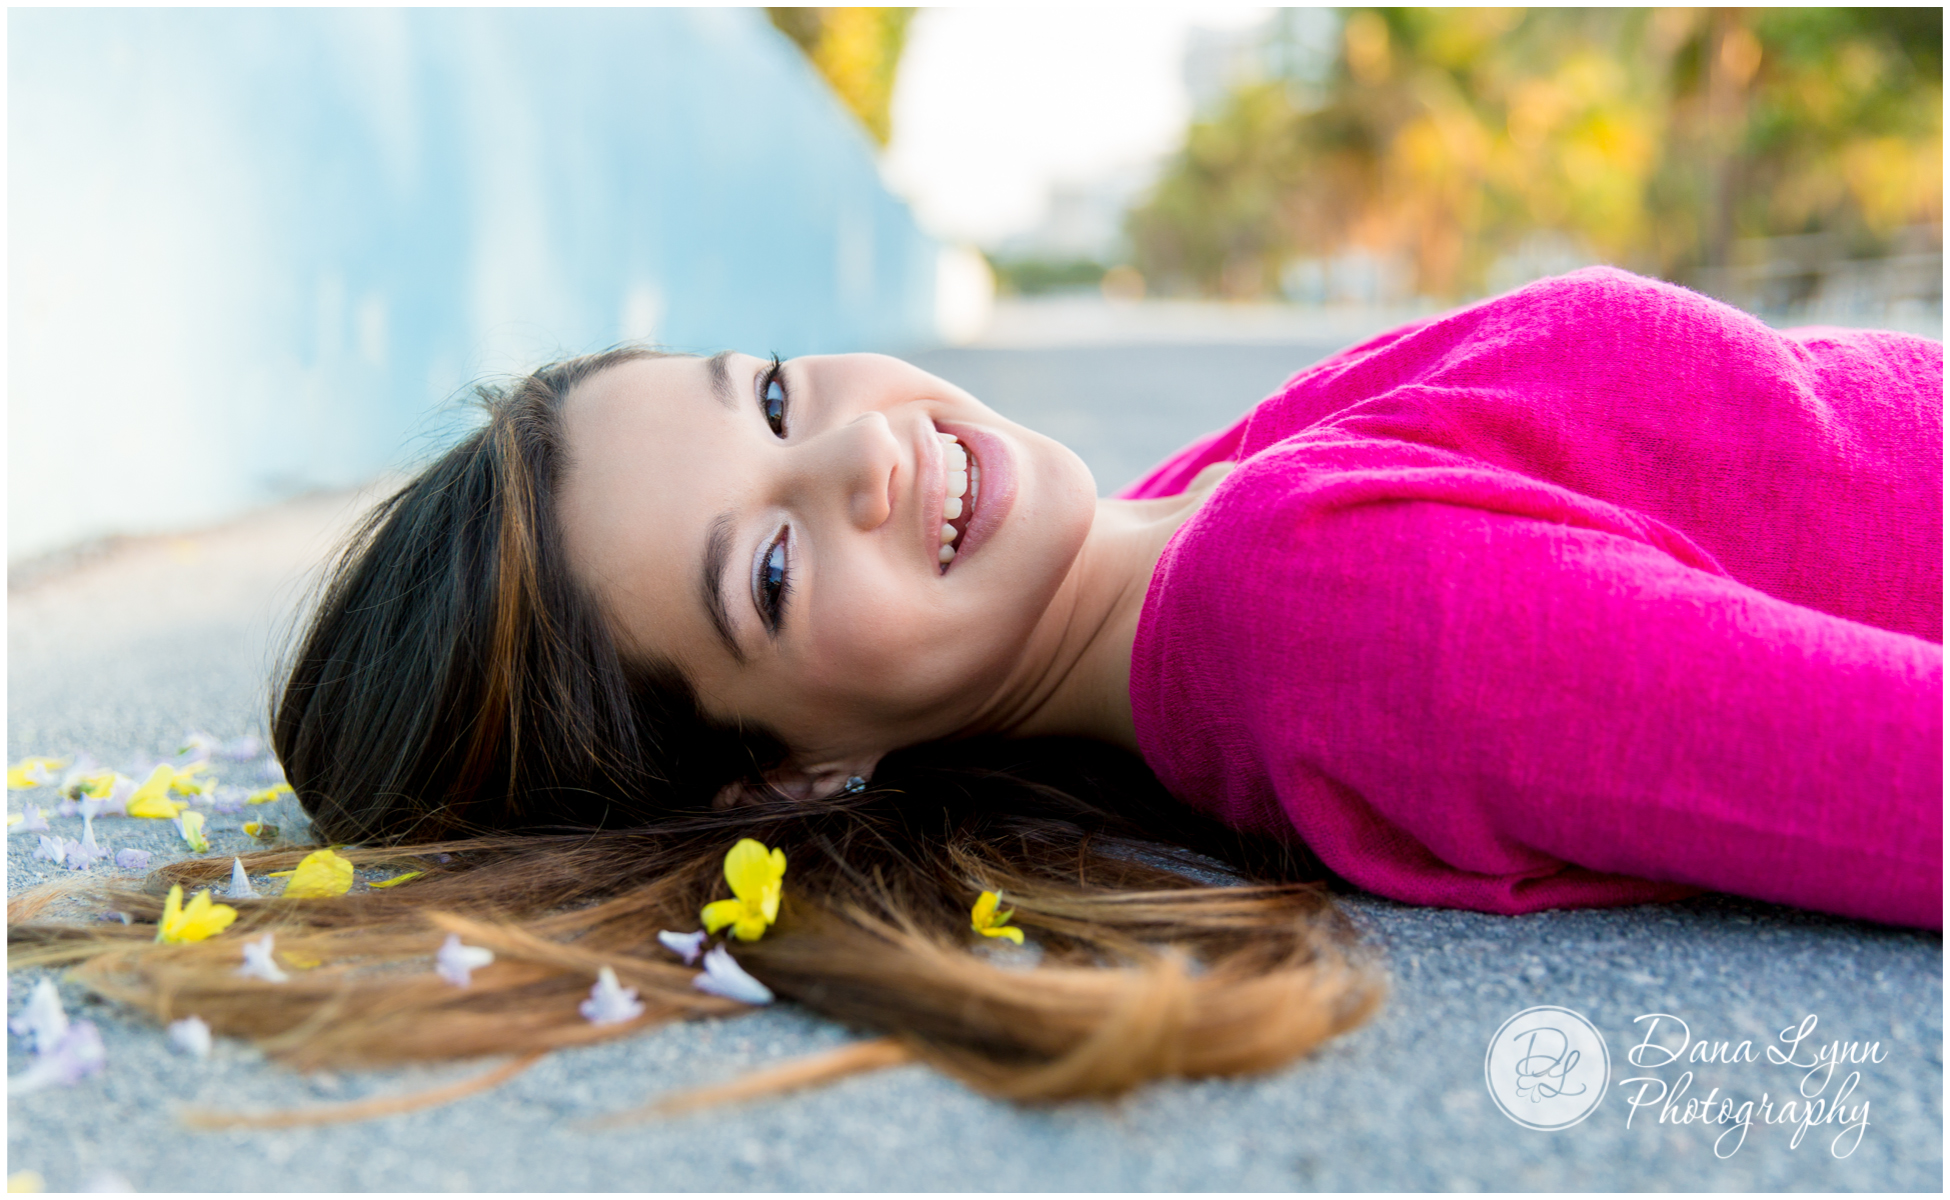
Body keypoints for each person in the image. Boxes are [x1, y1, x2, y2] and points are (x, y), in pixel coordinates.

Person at [16, 267, 1938, 1103]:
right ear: (783, 784)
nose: (849, 454)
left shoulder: (1190, 525)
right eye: (767, 571)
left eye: (768, 394)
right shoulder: (1325, 621)